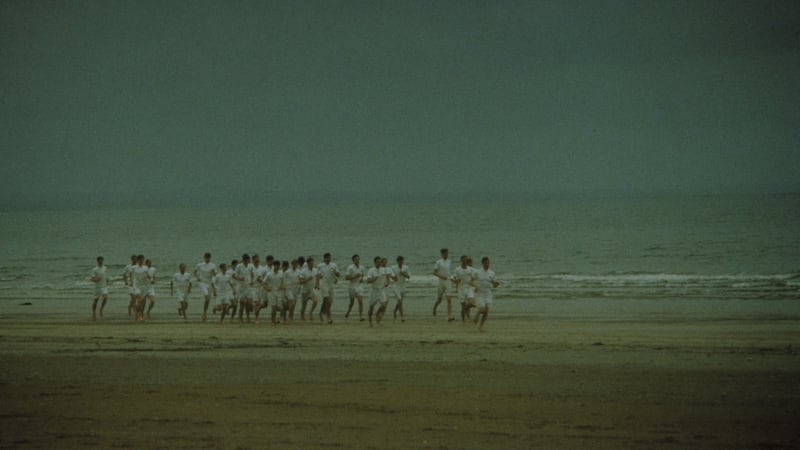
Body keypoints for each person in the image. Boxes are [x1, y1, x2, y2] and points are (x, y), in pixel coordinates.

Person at [471, 256, 500, 331]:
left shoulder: (492, 273)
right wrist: (475, 286)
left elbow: (494, 285)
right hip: (480, 293)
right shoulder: (477, 272)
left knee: (486, 312)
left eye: (488, 263)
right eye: (486, 263)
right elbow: (471, 281)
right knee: (483, 309)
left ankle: (480, 327)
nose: (487, 264)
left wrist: (496, 284)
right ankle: (477, 315)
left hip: (488, 293)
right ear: (482, 263)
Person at [193, 253, 217, 321]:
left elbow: (215, 275)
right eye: (206, 257)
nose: (207, 259)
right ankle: (204, 313)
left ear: (210, 258)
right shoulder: (200, 265)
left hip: (209, 283)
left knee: (208, 299)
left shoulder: (213, 265)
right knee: (206, 297)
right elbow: (194, 272)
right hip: (202, 283)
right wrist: (197, 277)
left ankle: (205, 312)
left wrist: (213, 272)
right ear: (204, 258)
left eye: (208, 257)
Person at [366, 256, 389, 327]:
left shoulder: (383, 270)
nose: (379, 263)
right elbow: (368, 280)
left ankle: (377, 314)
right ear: (375, 262)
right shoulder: (371, 270)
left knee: (384, 304)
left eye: (380, 262)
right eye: (378, 262)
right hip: (373, 290)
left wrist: (387, 282)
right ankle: (370, 321)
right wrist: (373, 279)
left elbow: (386, 277)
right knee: (371, 306)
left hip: (381, 290)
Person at [317, 252, 339, 324]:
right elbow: (318, 275)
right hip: (323, 284)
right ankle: (328, 317)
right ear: (324, 258)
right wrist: (317, 282)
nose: (329, 259)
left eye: (330, 257)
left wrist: (336, 275)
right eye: (327, 258)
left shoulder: (334, 265)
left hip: (331, 284)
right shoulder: (320, 266)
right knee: (327, 300)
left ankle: (321, 312)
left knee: (329, 302)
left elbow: (338, 274)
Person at [432, 248, 454, 321]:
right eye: (445, 253)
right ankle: (435, 307)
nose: (446, 255)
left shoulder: (449, 261)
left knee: (449, 299)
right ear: (442, 254)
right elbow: (434, 272)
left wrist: (452, 278)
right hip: (441, 282)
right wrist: (441, 276)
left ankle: (449, 316)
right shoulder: (438, 262)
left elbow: (448, 272)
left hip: (448, 281)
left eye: (447, 253)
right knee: (439, 299)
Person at [453, 255, 476, 323]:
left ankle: (465, 312)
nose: (465, 261)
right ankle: (464, 321)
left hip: (469, 288)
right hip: (461, 289)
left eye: (466, 260)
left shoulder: (471, 269)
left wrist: (476, 286)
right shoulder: (457, 269)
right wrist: (456, 283)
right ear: (461, 261)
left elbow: (476, 275)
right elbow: (453, 278)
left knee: (472, 303)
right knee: (463, 305)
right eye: (464, 260)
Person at [298, 256, 319, 322]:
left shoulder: (315, 270)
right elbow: (300, 282)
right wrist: (307, 279)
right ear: (307, 264)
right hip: (305, 290)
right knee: (304, 305)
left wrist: (317, 284)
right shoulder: (303, 271)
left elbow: (317, 277)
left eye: (313, 263)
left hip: (312, 290)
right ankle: (302, 316)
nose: (312, 264)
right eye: (310, 263)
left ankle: (310, 312)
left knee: (315, 301)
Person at [345, 254, 365, 321]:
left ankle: (361, 316)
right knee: (352, 302)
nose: (358, 261)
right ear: (353, 260)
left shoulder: (362, 267)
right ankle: (348, 311)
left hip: (359, 286)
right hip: (352, 287)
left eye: (358, 259)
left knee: (360, 300)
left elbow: (362, 274)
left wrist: (362, 278)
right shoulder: (350, 268)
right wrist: (354, 276)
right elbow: (346, 277)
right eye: (356, 259)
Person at [390, 256, 410, 322]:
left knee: (400, 301)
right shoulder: (393, 267)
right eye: (399, 261)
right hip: (396, 286)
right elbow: (392, 276)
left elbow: (408, 276)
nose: (401, 262)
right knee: (399, 300)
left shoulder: (406, 267)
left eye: (402, 261)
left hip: (403, 286)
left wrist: (403, 273)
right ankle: (402, 317)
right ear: (397, 261)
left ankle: (395, 311)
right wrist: (394, 277)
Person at [131, 255, 149, 321]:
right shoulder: (133, 267)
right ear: (137, 260)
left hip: (144, 286)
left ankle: (139, 314)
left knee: (142, 302)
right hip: (136, 286)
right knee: (140, 299)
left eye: (142, 260)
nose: (141, 261)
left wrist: (150, 278)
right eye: (140, 260)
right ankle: (137, 314)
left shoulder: (145, 268)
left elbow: (147, 275)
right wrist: (130, 282)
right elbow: (131, 276)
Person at [90, 256, 109, 321]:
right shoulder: (94, 269)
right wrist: (96, 279)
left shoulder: (105, 268)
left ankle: (101, 309)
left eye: (102, 260)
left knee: (105, 298)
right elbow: (92, 279)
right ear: (97, 261)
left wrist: (107, 279)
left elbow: (105, 275)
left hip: (104, 286)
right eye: (100, 260)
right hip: (97, 287)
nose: (101, 262)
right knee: (95, 301)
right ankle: (94, 314)